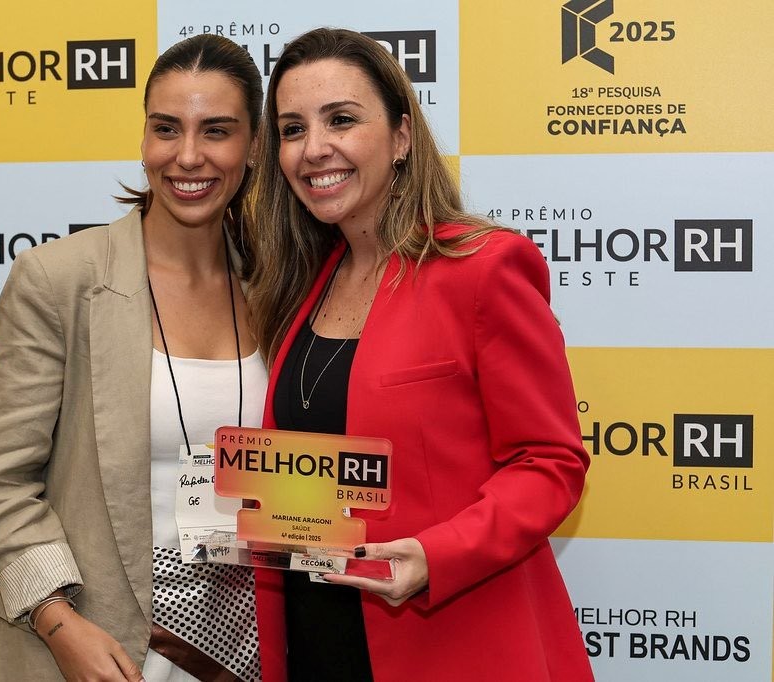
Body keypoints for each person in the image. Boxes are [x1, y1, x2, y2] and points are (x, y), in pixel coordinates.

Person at [246, 28, 593, 681]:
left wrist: (435, 556)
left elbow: (550, 463)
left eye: (341, 119)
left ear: (401, 136)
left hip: (451, 644)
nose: (313, 148)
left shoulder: (482, 269)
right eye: (292, 129)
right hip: (317, 639)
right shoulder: (303, 283)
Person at [0, 34, 265, 682]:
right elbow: (1, 483)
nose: (188, 155)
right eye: (166, 128)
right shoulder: (61, 280)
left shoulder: (278, 288)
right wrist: (58, 623)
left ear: (253, 147)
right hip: (92, 652)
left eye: (216, 130)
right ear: (143, 138)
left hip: (240, 654)